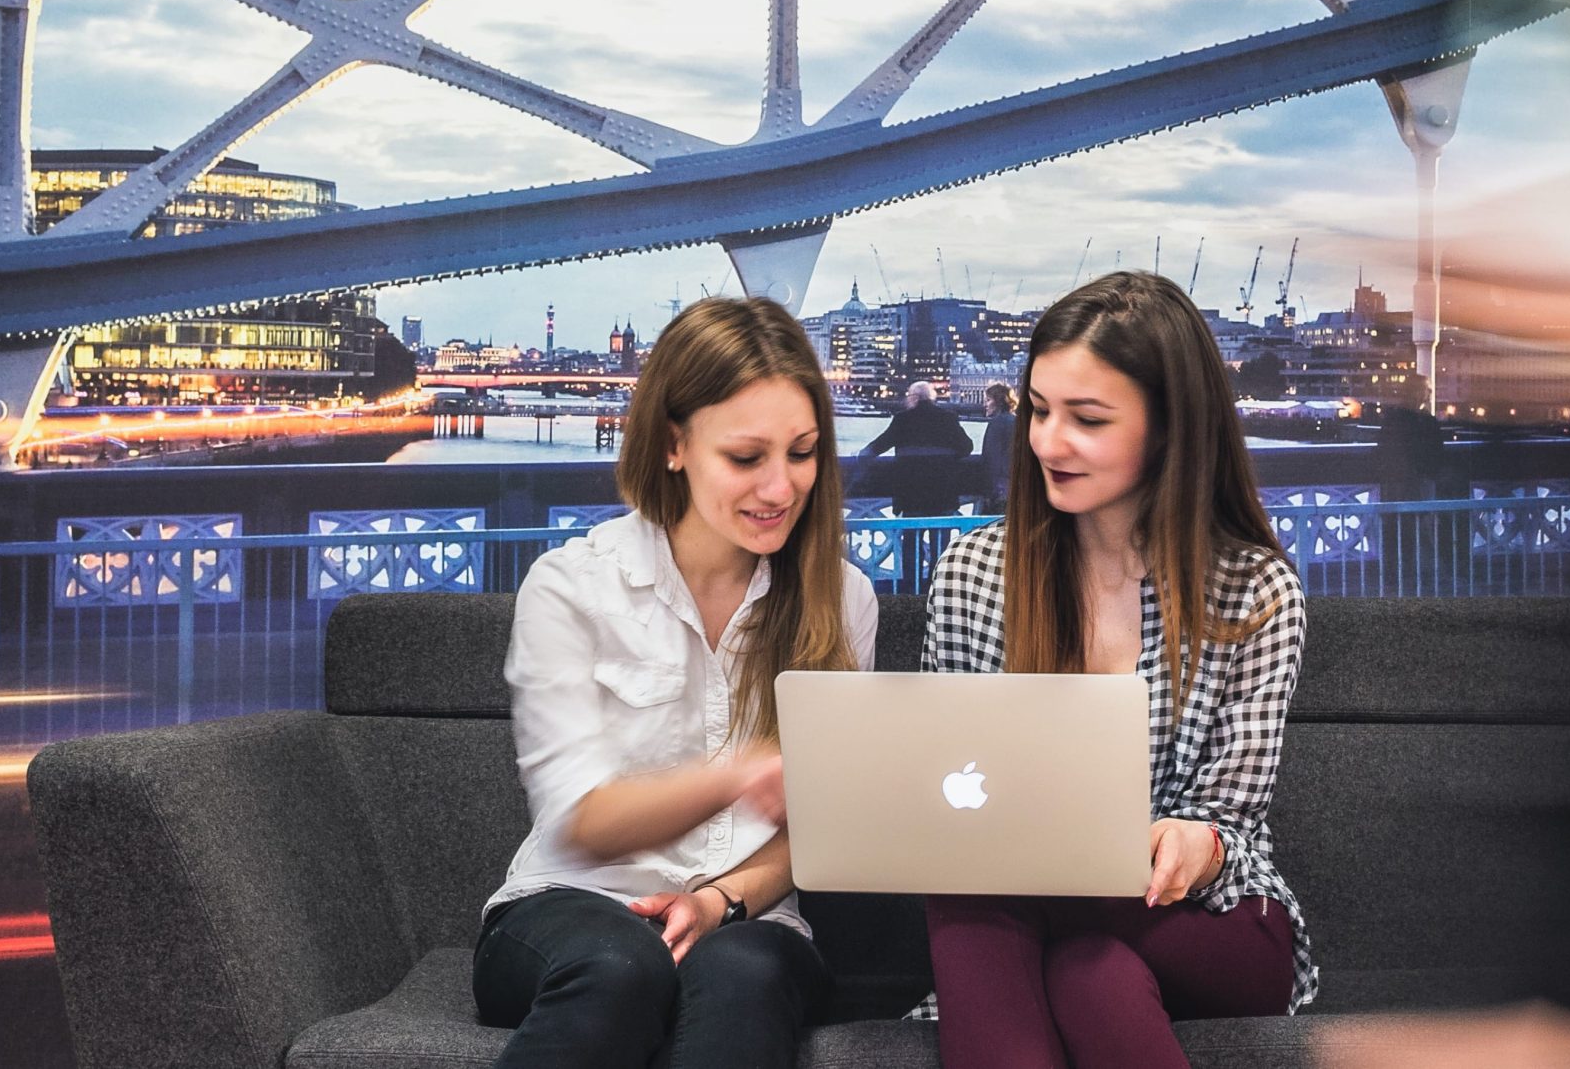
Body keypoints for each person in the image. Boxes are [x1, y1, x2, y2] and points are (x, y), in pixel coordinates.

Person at [915, 271, 1314, 1067]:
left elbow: (1231, 817)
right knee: (1078, 966)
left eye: (1087, 418)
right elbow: (944, 790)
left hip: (1204, 919)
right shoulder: (973, 573)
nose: (1047, 441)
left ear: (1170, 429)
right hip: (1043, 917)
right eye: (1038, 407)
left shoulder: (1254, 592)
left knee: (988, 886)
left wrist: (1197, 846)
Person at [473, 297, 881, 1069]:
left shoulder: (843, 597)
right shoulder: (569, 586)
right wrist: (738, 777)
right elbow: (584, 821)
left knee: (747, 977)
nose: (782, 487)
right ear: (672, 445)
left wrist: (718, 902)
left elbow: (809, 836)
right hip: (567, 907)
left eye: (802, 453)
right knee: (619, 970)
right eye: (746, 457)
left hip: (748, 917)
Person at [980, 380, 1017, 509]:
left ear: (999, 402)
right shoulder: (1018, 421)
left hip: (1001, 490)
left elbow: (992, 459)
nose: (985, 404)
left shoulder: (996, 424)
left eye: (988, 400)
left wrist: (989, 492)